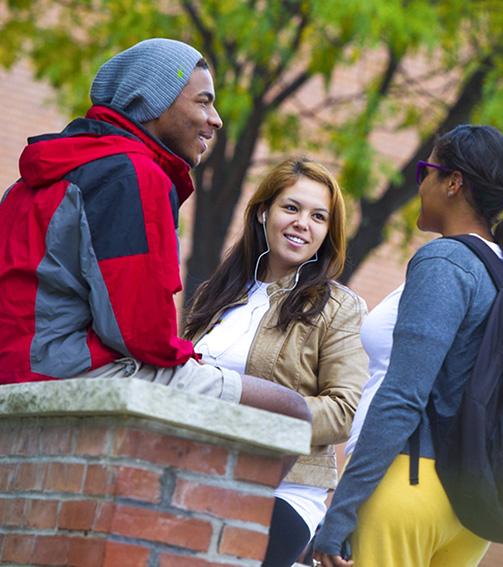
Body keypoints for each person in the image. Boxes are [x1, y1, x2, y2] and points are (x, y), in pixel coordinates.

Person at [0, 38, 308, 422]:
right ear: (153, 103)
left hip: (13, 369)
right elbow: (141, 333)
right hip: (65, 373)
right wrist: (189, 358)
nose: (216, 119)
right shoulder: (132, 175)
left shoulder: (34, 180)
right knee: (291, 409)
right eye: (203, 101)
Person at [314, 124, 503, 567]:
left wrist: (341, 512)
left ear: (453, 182)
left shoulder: (445, 262)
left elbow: (403, 396)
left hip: (411, 484)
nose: (420, 184)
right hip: (471, 509)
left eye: (427, 171)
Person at [183, 157, 369, 567]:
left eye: (318, 216)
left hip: (284, 488)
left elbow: (344, 409)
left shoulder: (339, 308)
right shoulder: (219, 292)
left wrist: (248, 412)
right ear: (264, 211)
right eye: (292, 208)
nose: (303, 223)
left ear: (327, 232)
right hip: (199, 468)